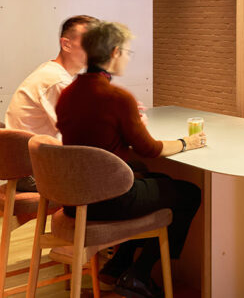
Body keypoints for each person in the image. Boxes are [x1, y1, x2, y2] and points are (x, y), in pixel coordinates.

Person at [56, 21, 206, 298]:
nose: (126, 57)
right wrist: (188, 142)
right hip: (110, 201)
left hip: (76, 201)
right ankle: (139, 274)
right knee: (188, 193)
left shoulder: (67, 94)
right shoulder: (115, 97)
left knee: (158, 180)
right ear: (114, 53)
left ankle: (118, 266)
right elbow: (150, 148)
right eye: (126, 52)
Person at [4, 15, 98, 192]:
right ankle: (85, 218)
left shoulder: (54, 73)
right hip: (34, 173)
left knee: (130, 168)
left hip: (28, 166)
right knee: (131, 171)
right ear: (66, 44)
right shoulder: (56, 81)